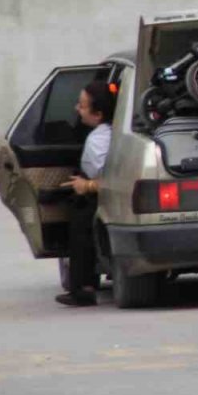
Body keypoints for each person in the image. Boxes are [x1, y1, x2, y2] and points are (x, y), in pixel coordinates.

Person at [55, 80, 117, 307]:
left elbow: (114, 181)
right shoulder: (112, 133)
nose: (76, 109)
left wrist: (86, 186)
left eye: (81, 105)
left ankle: (83, 287)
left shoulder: (97, 142)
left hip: (110, 199)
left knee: (81, 220)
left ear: (98, 113)